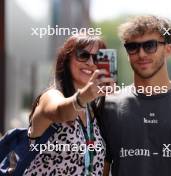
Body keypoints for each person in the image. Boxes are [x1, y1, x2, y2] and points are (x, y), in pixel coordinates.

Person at [100, 15, 171, 176]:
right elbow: (102, 168)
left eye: (150, 45)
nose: (141, 54)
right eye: (132, 47)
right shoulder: (108, 105)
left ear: (168, 49)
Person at [24, 33, 114, 175]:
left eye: (97, 58)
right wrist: (84, 96)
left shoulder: (93, 111)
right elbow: (61, 112)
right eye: (83, 55)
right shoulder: (51, 96)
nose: (90, 62)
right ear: (66, 60)